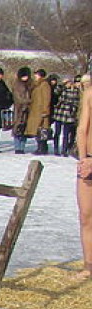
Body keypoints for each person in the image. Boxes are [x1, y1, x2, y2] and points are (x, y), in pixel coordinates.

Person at [75, 84, 92, 280]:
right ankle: (88, 265)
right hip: (88, 159)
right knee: (86, 215)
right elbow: (82, 129)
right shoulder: (89, 92)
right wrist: (83, 159)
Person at [26, 68, 51, 155]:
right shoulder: (37, 85)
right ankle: (40, 147)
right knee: (38, 130)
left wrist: (45, 110)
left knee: (42, 130)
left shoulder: (44, 85)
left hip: (41, 111)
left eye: (36, 74)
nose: (35, 76)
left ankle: (42, 148)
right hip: (35, 111)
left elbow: (47, 98)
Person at [53, 76, 81, 157]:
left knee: (66, 133)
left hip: (69, 114)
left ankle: (64, 150)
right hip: (60, 112)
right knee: (57, 132)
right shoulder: (62, 88)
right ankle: (56, 149)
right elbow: (56, 93)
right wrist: (63, 85)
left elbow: (77, 101)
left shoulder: (76, 91)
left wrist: (73, 108)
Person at [12, 67, 32, 155]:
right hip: (19, 109)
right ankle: (17, 147)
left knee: (24, 128)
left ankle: (22, 147)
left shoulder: (30, 84)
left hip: (27, 109)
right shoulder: (17, 85)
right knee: (17, 127)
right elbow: (18, 98)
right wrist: (28, 101)